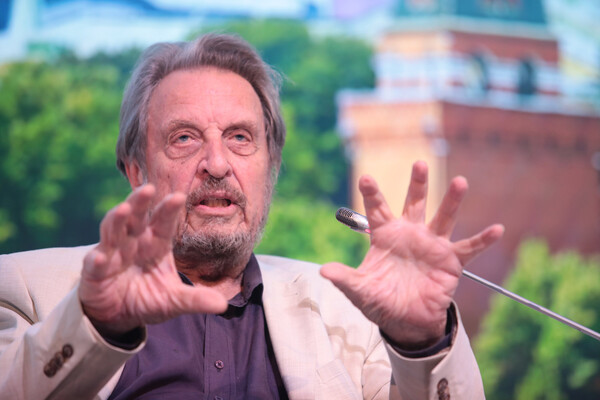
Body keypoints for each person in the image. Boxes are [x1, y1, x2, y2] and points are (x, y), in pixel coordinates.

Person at [0, 33, 503, 399]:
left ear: (271, 169)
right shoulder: (24, 289)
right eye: (184, 138)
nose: (217, 164)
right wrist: (97, 325)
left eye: (240, 138)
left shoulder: (357, 317)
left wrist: (420, 343)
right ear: (136, 170)